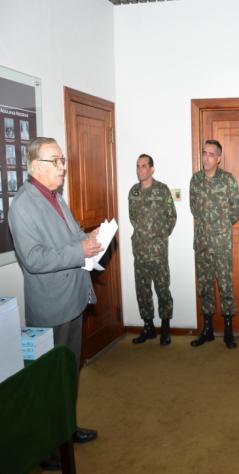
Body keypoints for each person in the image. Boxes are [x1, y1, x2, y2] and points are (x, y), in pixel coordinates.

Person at [8, 137, 103, 470]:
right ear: (36, 166)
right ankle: (48, 445)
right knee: (51, 379)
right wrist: (80, 250)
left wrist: (89, 239)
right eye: (57, 161)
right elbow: (33, 259)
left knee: (68, 373)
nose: (63, 167)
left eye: (63, 160)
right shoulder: (23, 205)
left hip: (73, 297)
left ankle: (66, 428)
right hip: (52, 306)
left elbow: (72, 233)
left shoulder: (55, 198)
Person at [190, 139, 239, 349]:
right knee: (204, 287)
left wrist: (220, 226)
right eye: (205, 153)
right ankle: (208, 330)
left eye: (211, 154)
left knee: (226, 286)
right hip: (202, 242)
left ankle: (228, 331)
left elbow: (236, 208)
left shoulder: (228, 180)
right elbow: (194, 207)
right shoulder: (195, 180)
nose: (207, 157)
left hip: (221, 244)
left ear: (219, 158)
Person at [129, 154, 177, 346]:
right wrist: (143, 234)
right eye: (138, 166)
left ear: (152, 169)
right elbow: (133, 217)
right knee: (142, 291)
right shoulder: (133, 192)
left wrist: (160, 235)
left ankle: (165, 328)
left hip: (158, 252)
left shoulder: (162, 190)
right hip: (139, 250)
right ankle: (148, 327)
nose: (140, 170)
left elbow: (172, 216)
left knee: (163, 289)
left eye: (143, 166)